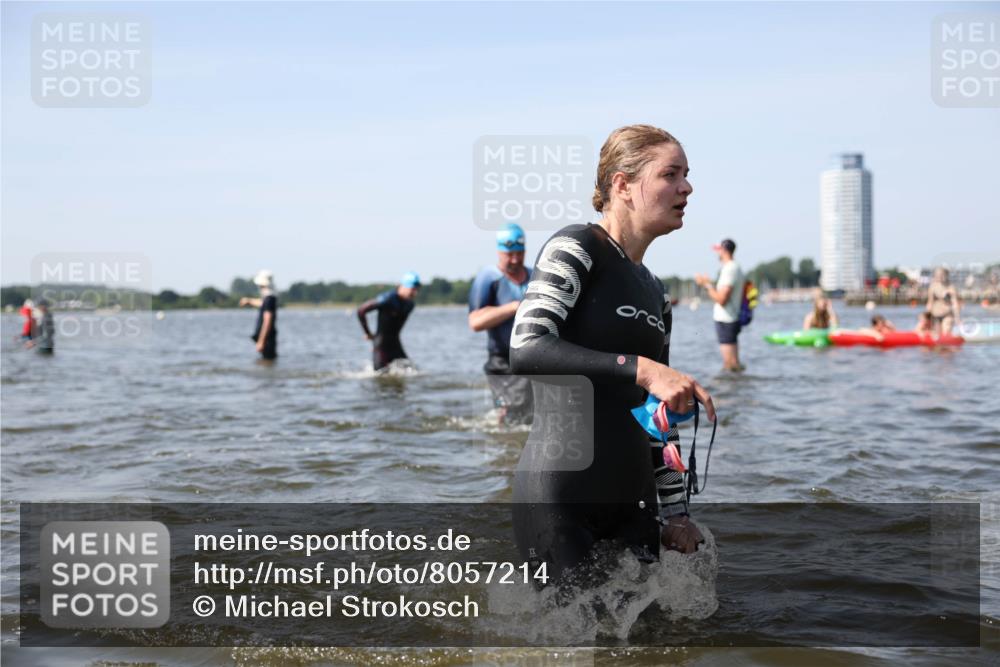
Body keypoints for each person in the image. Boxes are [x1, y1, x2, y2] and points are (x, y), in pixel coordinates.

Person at [510, 124, 716, 583]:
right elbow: (526, 347)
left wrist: (677, 511)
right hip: (563, 496)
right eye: (670, 174)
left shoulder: (655, 291)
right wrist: (642, 369)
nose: (687, 187)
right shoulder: (578, 247)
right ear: (622, 185)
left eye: (686, 175)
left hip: (634, 505)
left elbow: (656, 416)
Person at [468, 222, 533, 424]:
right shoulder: (489, 278)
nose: (515, 259)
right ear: (499, 252)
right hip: (501, 361)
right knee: (511, 416)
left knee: (533, 415)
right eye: (509, 254)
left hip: (531, 358)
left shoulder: (534, 276)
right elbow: (475, 322)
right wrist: (513, 307)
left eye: (519, 253)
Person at [695, 239, 746, 371]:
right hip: (731, 318)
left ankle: (731, 389)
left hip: (726, 319)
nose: (717, 253)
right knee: (734, 363)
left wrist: (706, 285)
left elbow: (721, 299)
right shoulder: (734, 267)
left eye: (718, 250)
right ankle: (738, 387)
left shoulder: (730, 268)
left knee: (730, 363)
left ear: (723, 250)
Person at [358, 272, 420, 371]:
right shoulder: (387, 299)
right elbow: (361, 310)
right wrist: (367, 333)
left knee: (413, 372)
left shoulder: (410, 305)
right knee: (381, 376)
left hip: (396, 345)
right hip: (381, 346)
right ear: (402, 286)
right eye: (412, 289)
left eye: (416, 290)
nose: (414, 293)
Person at [239, 270, 278, 360]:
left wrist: (261, 341)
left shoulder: (269, 298)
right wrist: (249, 301)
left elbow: (267, 321)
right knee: (267, 362)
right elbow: (262, 303)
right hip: (268, 337)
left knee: (268, 361)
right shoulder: (269, 297)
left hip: (267, 338)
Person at [926, 267, 961, 336]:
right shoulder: (933, 286)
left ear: (946, 275)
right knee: (936, 336)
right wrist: (927, 317)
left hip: (947, 314)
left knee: (946, 332)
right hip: (935, 315)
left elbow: (955, 303)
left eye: (942, 275)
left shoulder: (951, 287)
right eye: (937, 275)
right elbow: (930, 302)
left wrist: (957, 317)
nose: (940, 277)